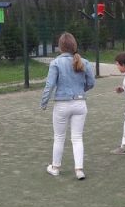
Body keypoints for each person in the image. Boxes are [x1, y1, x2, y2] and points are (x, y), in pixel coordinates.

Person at [40, 32, 96, 180]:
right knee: (77, 137)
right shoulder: (84, 62)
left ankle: (55, 168)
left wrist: (44, 102)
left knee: (59, 137)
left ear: (60, 47)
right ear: (74, 46)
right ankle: (79, 170)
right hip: (80, 104)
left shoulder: (55, 63)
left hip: (62, 105)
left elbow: (49, 85)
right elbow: (91, 83)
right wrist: (80, 91)